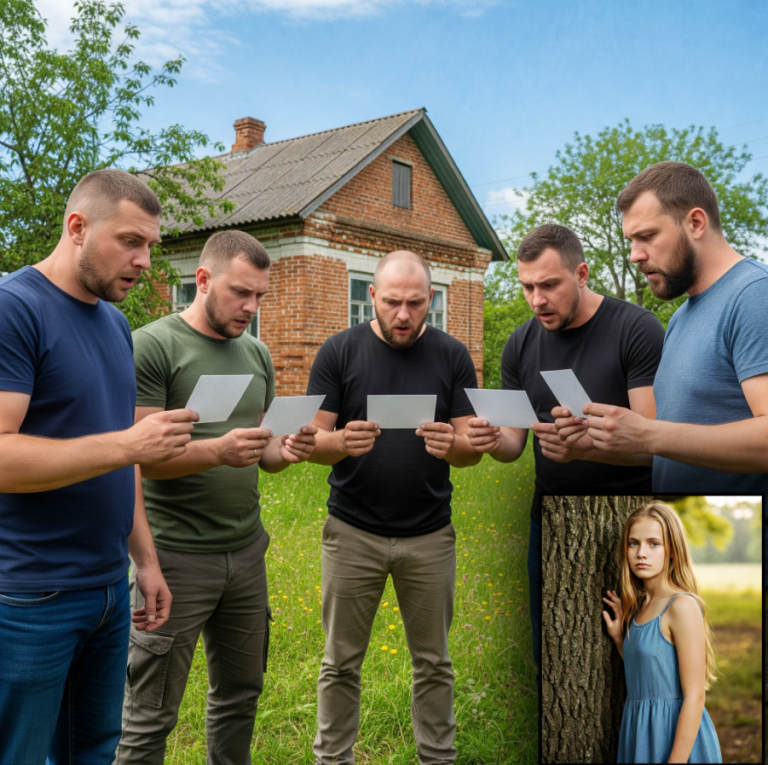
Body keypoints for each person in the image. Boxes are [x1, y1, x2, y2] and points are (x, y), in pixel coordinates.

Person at [0, 169, 198, 764]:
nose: (143, 262)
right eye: (129, 242)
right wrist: (128, 446)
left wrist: (146, 560)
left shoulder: (115, 324)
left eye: (151, 247)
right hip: (31, 596)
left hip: (109, 590)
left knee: (94, 750)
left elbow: (123, 453)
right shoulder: (15, 308)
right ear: (77, 227)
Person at [116, 230, 317, 764]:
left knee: (240, 696)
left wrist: (287, 446)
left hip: (247, 554)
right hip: (176, 556)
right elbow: (139, 458)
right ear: (201, 280)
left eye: (260, 297)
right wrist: (218, 452)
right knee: (150, 714)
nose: (250, 307)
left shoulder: (256, 353)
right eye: (239, 293)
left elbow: (265, 453)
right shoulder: (152, 346)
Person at [466, 223, 664, 690]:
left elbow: (657, 444)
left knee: (635, 653)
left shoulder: (636, 329)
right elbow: (515, 444)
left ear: (581, 273)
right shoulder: (520, 342)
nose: (537, 300)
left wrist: (584, 447)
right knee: (556, 652)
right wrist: (491, 438)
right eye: (527, 287)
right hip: (550, 520)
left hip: (626, 519)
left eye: (549, 285)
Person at [306, 250, 480, 765]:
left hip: (429, 534)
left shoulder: (452, 355)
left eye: (415, 303)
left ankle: (437, 758)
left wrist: (455, 445)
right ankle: (332, 760)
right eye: (391, 302)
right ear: (372, 299)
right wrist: (340, 443)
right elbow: (311, 442)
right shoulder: (339, 351)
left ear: (430, 299)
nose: (403, 314)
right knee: (340, 662)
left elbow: (471, 452)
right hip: (352, 531)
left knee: (433, 663)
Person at [565, 161, 768, 490]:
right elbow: (672, 448)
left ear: (696, 223)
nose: (634, 255)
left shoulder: (754, 295)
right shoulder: (680, 318)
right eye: (631, 240)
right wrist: (590, 447)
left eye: (646, 236)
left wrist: (649, 433)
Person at [603, 502, 722, 763]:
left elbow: (695, 695)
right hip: (640, 732)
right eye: (633, 543)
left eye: (653, 543)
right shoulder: (639, 606)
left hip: (676, 738)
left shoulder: (682, 606)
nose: (641, 553)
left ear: (672, 551)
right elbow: (652, 671)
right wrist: (621, 638)